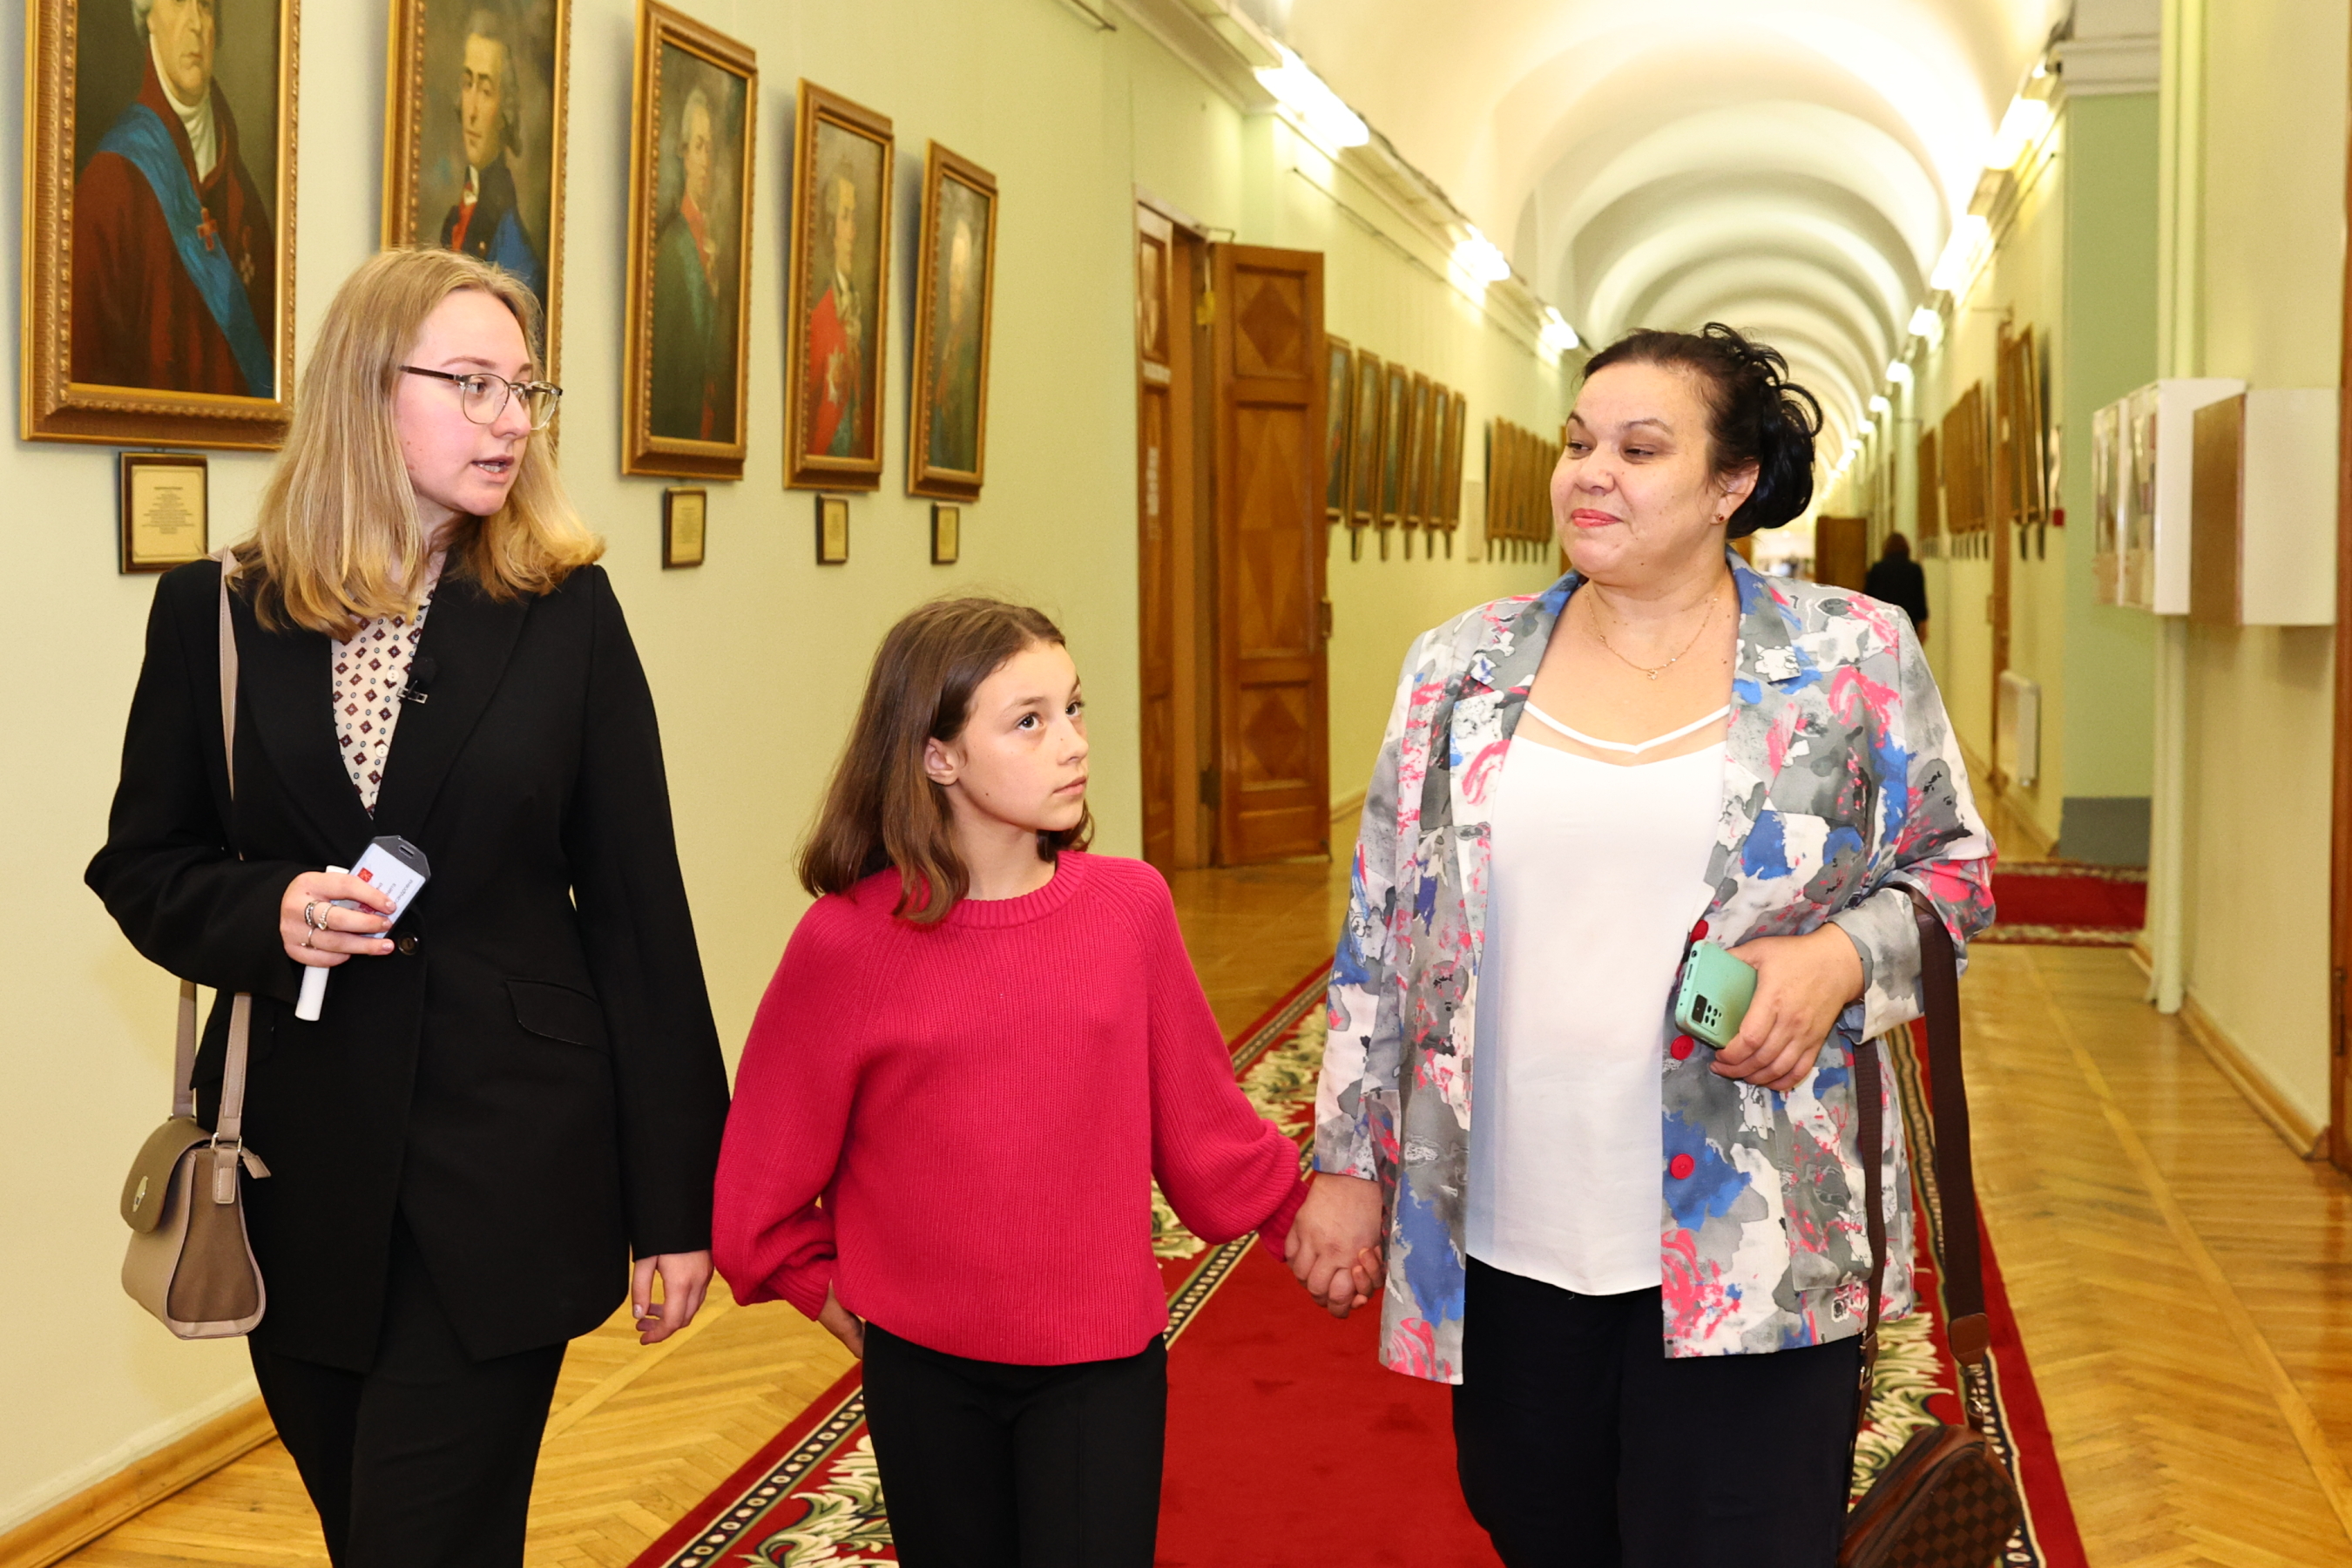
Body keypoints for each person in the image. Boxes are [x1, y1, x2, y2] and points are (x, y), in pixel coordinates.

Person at [1285, 324, 1995, 1567]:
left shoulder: (1852, 657)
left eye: (1640, 448)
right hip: (1509, 1225)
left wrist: (1837, 961)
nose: (1590, 473)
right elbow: (1382, 928)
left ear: (1733, 484)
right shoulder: (1459, 669)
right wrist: (1349, 1162)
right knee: (1536, 1521)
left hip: (1757, 1231)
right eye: (1578, 443)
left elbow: (1956, 873)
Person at [86, 248, 730, 1568]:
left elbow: (637, 911)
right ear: (367, 390)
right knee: (369, 1527)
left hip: (511, 1170)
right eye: (472, 383)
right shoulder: (215, 613)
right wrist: (270, 912)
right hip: (294, 1181)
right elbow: (143, 864)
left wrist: (680, 1201)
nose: (511, 419)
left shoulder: (567, 612)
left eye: (525, 390)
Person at [713, 598, 1314, 1567]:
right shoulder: (846, 944)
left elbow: (1206, 1134)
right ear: (937, 756)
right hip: (924, 1375)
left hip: (1099, 1366)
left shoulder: (1129, 909)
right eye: (1029, 721)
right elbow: (760, 1181)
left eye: (1073, 709)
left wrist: (1303, 1222)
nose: (1072, 743)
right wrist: (827, 1290)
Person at [72, 0, 276, 396]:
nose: (196, 23)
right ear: (147, 17)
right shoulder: (110, 182)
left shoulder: (241, 192)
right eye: (179, 2)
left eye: (206, 6)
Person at [439, 9, 546, 303]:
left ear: (504, 113)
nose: (471, 110)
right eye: (467, 84)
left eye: (486, 90)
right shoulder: (456, 216)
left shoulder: (511, 242)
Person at [650, 87, 731, 441]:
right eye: (698, 146)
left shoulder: (717, 242)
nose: (706, 159)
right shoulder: (671, 246)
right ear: (683, 153)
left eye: (710, 148)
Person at [804, 172, 868, 456]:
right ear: (831, 228)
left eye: (855, 218)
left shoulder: (857, 308)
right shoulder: (819, 317)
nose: (853, 231)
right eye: (845, 217)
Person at [924, 213, 983, 473]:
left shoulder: (968, 352)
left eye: (961, 274)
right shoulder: (939, 344)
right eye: (951, 273)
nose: (955, 286)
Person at [1864, 531, 1930, 645]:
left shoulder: (1877, 569)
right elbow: (1920, 601)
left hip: (1883, 622)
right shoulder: (1914, 570)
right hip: (1908, 622)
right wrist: (1923, 628)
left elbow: (1868, 600)